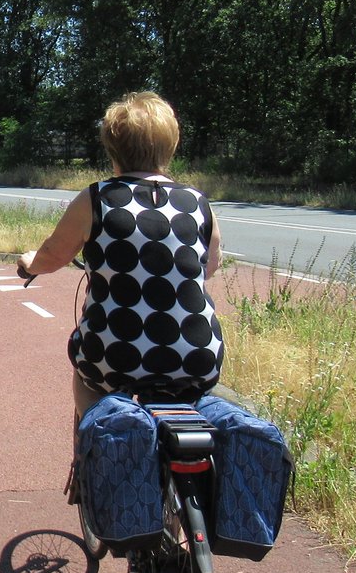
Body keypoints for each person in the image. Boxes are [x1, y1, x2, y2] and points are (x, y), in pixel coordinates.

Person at [17, 91, 224, 419]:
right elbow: (209, 266)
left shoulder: (96, 199)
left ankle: (96, 440)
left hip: (113, 357)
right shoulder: (198, 203)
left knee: (86, 374)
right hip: (196, 356)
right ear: (170, 145)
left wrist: (32, 263)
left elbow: (54, 255)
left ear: (112, 148)